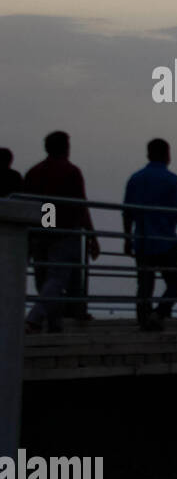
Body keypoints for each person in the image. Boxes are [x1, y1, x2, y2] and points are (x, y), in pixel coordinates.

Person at [23, 131, 99, 333]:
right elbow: (80, 205)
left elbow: (28, 203)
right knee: (57, 278)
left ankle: (55, 323)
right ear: (65, 148)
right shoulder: (70, 171)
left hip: (39, 231)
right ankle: (35, 318)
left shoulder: (34, 172)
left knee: (45, 279)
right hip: (64, 230)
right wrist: (92, 235)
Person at [123, 138, 177, 330]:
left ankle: (144, 319)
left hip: (142, 240)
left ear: (148, 154)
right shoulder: (173, 181)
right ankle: (160, 313)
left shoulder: (135, 179)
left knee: (145, 285)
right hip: (166, 242)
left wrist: (127, 238)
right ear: (167, 155)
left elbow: (127, 212)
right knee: (176, 283)